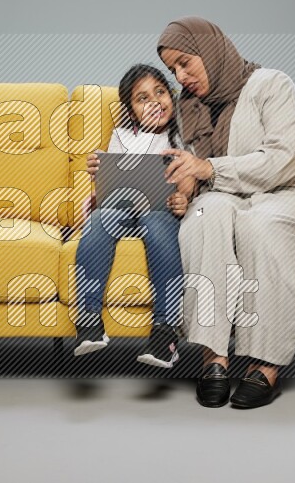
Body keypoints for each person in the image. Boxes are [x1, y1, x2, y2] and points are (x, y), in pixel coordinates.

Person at [157, 17, 295, 408]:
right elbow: (193, 172)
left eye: (185, 63)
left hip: (285, 194)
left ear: (210, 50)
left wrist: (208, 169)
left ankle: (265, 364)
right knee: (204, 217)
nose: (180, 77)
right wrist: (184, 185)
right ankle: (213, 358)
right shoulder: (188, 107)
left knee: (260, 226)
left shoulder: (273, 85)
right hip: (225, 194)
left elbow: (282, 160)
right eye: (173, 70)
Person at [72, 64, 194, 369]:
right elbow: (110, 189)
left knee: (156, 223)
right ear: (131, 111)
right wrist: (99, 173)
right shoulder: (122, 136)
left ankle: (165, 333)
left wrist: (183, 199)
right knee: (100, 220)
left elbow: (189, 181)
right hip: (123, 209)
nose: (154, 103)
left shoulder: (181, 136)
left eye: (160, 93)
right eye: (142, 99)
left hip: (160, 211)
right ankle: (89, 322)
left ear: (171, 96)